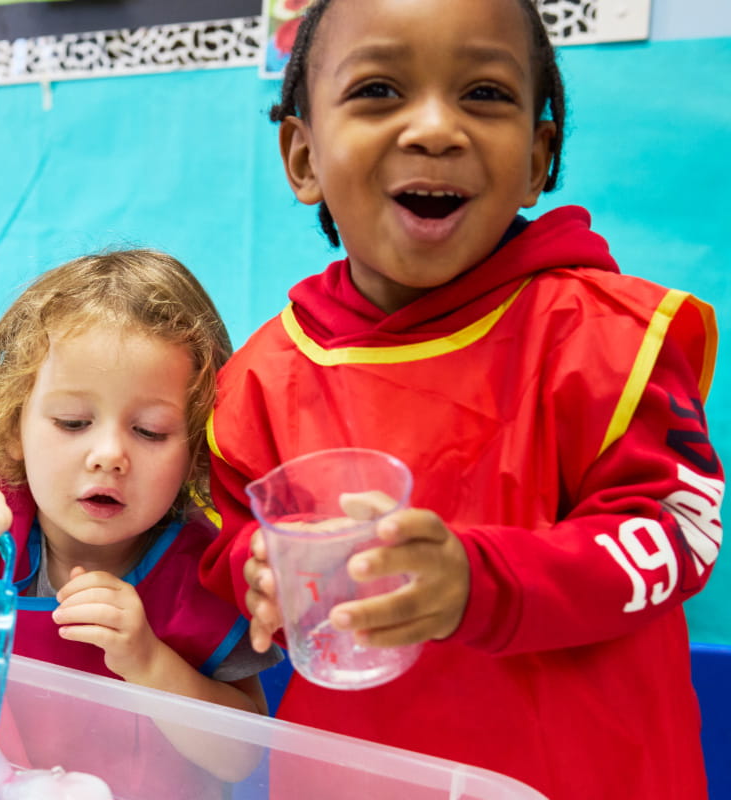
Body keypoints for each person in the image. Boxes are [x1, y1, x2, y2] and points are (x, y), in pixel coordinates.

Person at [198, 1, 721, 798]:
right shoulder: (261, 379)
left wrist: (480, 584)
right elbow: (224, 536)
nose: (437, 128)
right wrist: (255, 570)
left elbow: (676, 535)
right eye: (378, 89)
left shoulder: (605, 339)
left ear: (541, 155)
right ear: (303, 158)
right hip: (346, 776)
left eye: (484, 94)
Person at [0, 249, 281, 795]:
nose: (108, 454)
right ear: (14, 425)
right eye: (73, 422)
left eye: (150, 431)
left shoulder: (203, 571)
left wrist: (150, 662)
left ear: (198, 449)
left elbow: (244, 756)